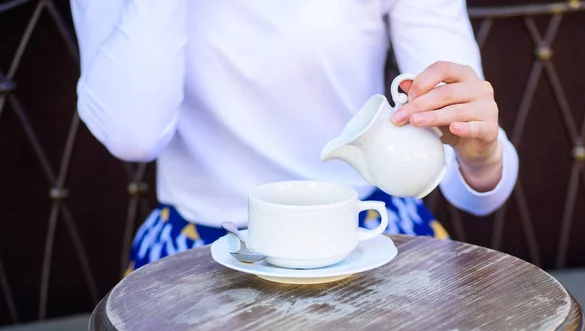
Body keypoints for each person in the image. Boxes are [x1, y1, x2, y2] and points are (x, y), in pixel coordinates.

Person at [70, 0, 519, 275]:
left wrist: (481, 157)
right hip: (197, 253)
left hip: (370, 235)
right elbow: (133, 135)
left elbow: (474, 187)